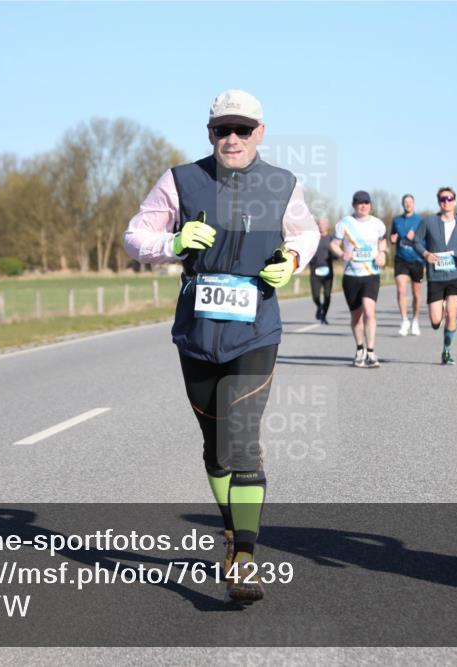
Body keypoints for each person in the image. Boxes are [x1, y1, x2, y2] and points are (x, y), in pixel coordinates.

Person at [123, 90, 318, 604]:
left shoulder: (282, 183)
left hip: (256, 327)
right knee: (215, 445)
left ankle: (246, 558)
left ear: (260, 131)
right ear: (209, 133)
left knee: (242, 438)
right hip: (198, 329)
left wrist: (293, 259)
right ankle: (231, 532)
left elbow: (307, 233)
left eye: (242, 129)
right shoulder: (181, 180)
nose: (231, 138)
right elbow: (134, 237)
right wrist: (174, 243)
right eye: (221, 130)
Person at [411, 187, 457, 365]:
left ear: (455, 201)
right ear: (438, 201)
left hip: (456, 274)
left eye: (449, 198)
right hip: (435, 276)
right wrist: (425, 254)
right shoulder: (429, 221)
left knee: (451, 312)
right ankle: (438, 316)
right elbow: (416, 241)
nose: (446, 201)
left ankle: (447, 352)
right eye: (442, 199)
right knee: (435, 321)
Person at [331, 190, 388, 367]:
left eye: (366, 203)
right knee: (356, 316)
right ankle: (360, 349)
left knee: (369, 312)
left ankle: (371, 352)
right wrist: (341, 254)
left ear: (370, 205)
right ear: (354, 205)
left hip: (371, 274)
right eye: (359, 203)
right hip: (351, 275)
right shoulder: (344, 224)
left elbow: (383, 242)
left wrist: (382, 254)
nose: (363, 206)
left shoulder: (378, 224)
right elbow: (334, 244)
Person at [390, 194, 424, 336]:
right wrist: (392, 239)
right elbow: (392, 237)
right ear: (402, 204)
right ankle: (404, 320)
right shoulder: (396, 220)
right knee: (401, 289)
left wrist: (415, 237)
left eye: (410, 202)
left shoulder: (420, 220)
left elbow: (426, 239)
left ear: (414, 204)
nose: (408, 204)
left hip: (417, 259)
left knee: (416, 294)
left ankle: (415, 320)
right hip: (401, 259)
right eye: (405, 202)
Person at [308, 215, 334, 324]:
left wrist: (335, 256)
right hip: (315, 270)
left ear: (327, 226)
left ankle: (324, 316)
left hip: (328, 271)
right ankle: (319, 306)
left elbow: (336, 252)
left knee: (327, 295)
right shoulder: (313, 238)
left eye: (323, 224)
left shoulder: (331, 239)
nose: (321, 226)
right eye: (319, 224)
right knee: (315, 295)